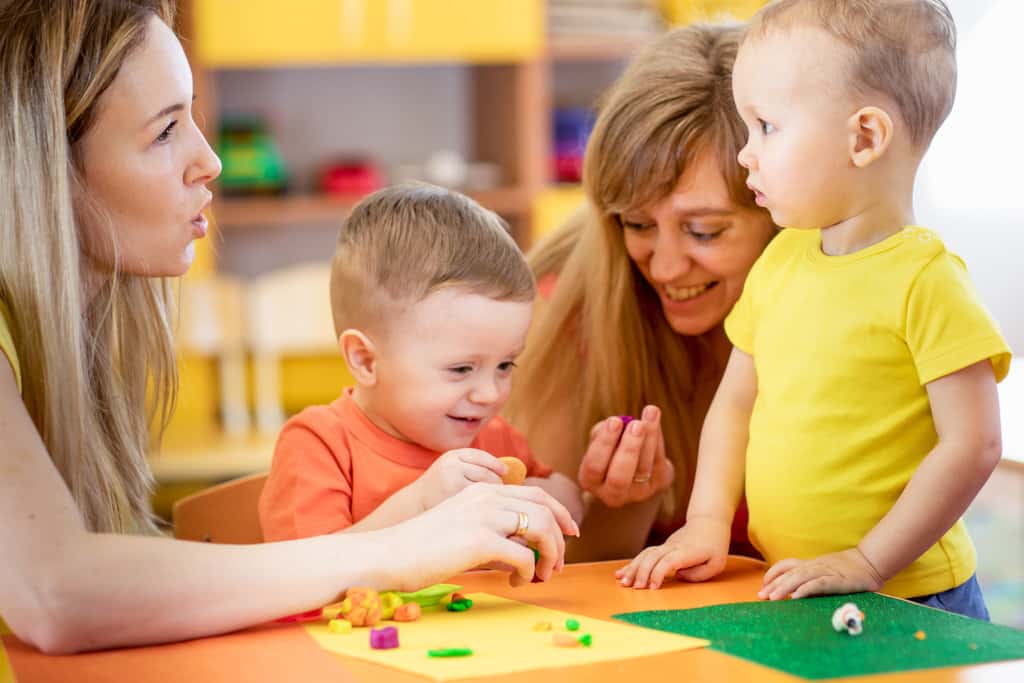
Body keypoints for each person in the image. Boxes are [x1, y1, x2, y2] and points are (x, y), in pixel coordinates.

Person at [0, 0, 574, 654]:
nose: (209, 160)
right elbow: (56, 594)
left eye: (194, 119)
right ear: (48, 164)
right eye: (164, 132)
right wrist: (399, 542)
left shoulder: (77, 343)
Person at [618, 0, 1008, 621]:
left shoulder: (927, 282)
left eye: (766, 127)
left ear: (864, 138)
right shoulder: (782, 262)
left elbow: (975, 443)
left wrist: (869, 560)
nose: (746, 153)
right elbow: (735, 407)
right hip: (797, 584)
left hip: (913, 596)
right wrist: (706, 523)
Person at [505, 24, 777, 561]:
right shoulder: (566, 309)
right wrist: (627, 503)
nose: (667, 267)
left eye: (704, 231)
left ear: (783, 213)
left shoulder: (853, 295)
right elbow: (555, 572)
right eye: (637, 223)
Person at [259, 184, 583, 541]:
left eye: (505, 365)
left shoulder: (493, 438)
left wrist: (575, 492)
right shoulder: (320, 445)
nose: (490, 394)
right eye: (461, 369)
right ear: (365, 360)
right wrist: (421, 503)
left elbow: (566, 513)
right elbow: (304, 572)